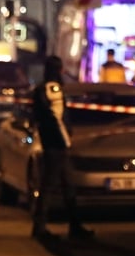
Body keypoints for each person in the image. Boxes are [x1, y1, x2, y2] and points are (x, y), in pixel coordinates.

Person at [30, 55, 94, 241]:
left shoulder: (42, 89)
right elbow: (57, 118)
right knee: (49, 185)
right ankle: (40, 227)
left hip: (52, 142)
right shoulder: (53, 90)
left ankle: (73, 225)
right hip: (56, 143)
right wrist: (65, 137)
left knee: (66, 185)